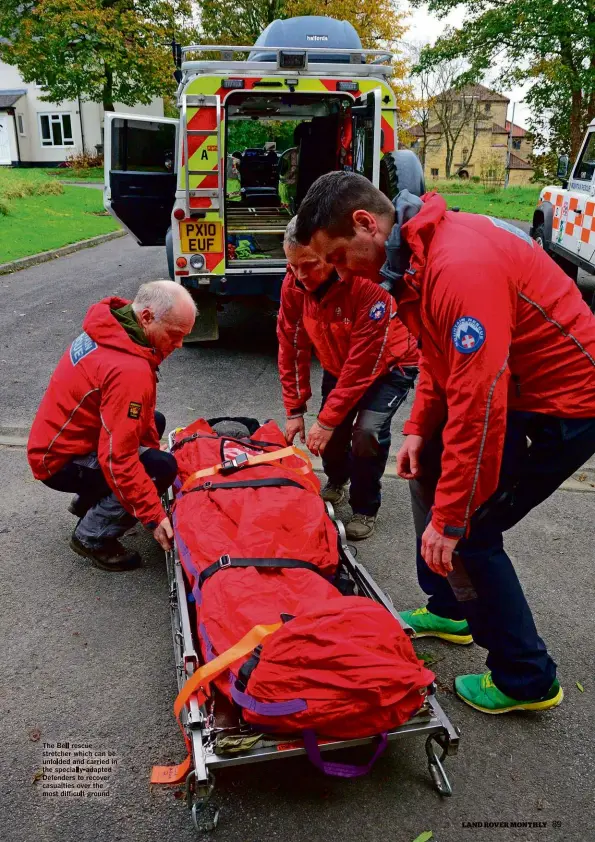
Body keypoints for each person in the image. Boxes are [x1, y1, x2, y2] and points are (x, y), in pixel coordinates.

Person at [294, 171, 595, 714]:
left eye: (338, 258)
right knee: (426, 467)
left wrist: (452, 518)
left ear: (365, 225)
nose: (339, 274)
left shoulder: (459, 267)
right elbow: (438, 358)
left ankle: (526, 679)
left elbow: (480, 407)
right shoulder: (415, 257)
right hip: (515, 390)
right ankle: (451, 607)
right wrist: (415, 431)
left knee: (472, 530)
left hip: (566, 408)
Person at [28, 281, 196, 572]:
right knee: (161, 468)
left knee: (153, 423)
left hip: (56, 440)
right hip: (59, 461)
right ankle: (91, 536)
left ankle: (90, 501)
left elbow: (139, 423)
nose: (179, 344)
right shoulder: (128, 370)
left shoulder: (112, 329)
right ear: (146, 318)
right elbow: (118, 461)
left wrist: (146, 487)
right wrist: (153, 514)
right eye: (174, 334)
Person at [277, 217, 418, 540]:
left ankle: (365, 508)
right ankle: (337, 479)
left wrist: (325, 420)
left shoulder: (367, 284)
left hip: (390, 365)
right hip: (339, 364)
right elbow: (291, 343)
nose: (299, 276)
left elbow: (363, 363)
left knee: (366, 432)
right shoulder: (294, 284)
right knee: (335, 436)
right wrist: (295, 410)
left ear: (330, 254)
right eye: (292, 266)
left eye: (309, 265)